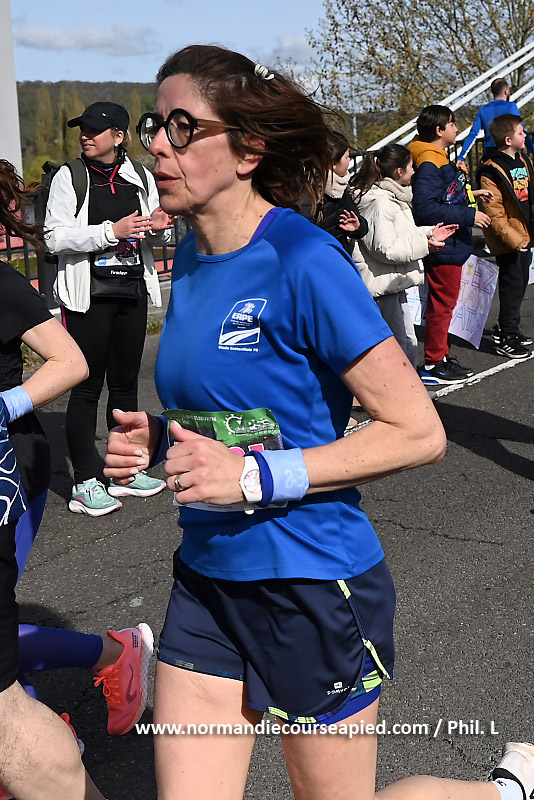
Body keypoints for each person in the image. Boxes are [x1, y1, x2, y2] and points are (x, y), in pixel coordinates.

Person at [104, 45, 534, 800]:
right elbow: (244, 413)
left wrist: (253, 477)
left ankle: (503, 790)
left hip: (309, 580)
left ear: (248, 150)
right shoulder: (192, 257)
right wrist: (164, 438)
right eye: (154, 126)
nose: (159, 147)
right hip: (207, 579)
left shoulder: (303, 258)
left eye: (182, 127)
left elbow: (419, 431)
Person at [0, 160, 106, 800]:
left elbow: (71, 361)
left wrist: (4, 405)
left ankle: (112, 657)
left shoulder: (1, 283)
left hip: (11, 469)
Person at [44, 102, 176, 516]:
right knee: (86, 388)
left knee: (125, 386)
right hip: (89, 296)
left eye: (94, 130)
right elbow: (53, 238)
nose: (86, 136)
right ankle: (85, 481)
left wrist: (160, 226)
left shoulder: (139, 175)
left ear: (119, 137)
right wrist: (110, 232)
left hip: (131, 290)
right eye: (82, 130)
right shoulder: (70, 176)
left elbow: (154, 229)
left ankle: (125, 472)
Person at [349, 144, 458, 368]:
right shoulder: (381, 203)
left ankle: (410, 386)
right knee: (400, 347)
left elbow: (401, 235)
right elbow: (386, 249)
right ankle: (403, 389)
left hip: (392, 282)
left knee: (407, 343)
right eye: (411, 166)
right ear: (399, 171)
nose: (414, 171)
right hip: (383, 286)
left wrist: (430, 233)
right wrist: (425, 245)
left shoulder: (391, 198)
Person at [407, 105, 492, 384]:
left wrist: (472, 194)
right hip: (445, 245)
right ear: (439, 130)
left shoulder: (434, 157)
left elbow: (447, 195)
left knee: (446, 305)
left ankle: (440, 358)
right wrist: (469, 215)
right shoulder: (430, 163)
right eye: (452, 124)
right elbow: (426, 208)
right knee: (442, 306)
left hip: (452, 244)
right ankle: (433, 363)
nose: (456, 128)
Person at [475, 114, 534, 359]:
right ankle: (507, 338)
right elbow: (495, 213)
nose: (525, 135)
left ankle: (508, 327)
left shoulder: (524, 160)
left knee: (521, 283)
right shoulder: (491, 170)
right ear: (509, 140)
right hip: (509, 238)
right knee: (511, 286)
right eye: (521, 132)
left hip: (525, 234)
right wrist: (514, 240)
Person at [457, 78, 534, 167]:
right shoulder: (511, 107)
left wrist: (461, 157)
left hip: (490, 154)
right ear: (506, 91)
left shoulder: (484, 110)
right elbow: (521, 130)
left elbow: (473, 134)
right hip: (508, 151)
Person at [313, 129, 368, 253]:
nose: (350, 160)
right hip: (320, 257)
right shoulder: (309, 191)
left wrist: (357, 226)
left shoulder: (341, 187)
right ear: (333, 163)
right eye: (347, 157)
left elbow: (360, 223)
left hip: (339, 256)